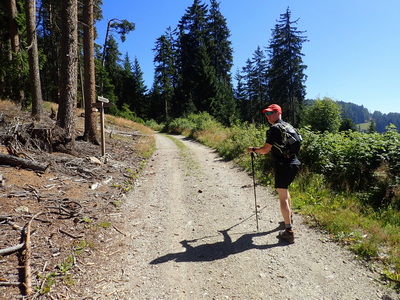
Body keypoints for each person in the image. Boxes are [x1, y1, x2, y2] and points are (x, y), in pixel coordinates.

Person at [247, 104, 301, 244]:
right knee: (286, 190)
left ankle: (289, 232)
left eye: (271, 113)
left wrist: (253, 149)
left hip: (283, 165)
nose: (268, 116)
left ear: (278, 113)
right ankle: (289, 217)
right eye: (266, 113)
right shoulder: (288, 126)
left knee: (282, 197)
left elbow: (265, 150)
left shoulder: (275, 129)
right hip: (294, 163)